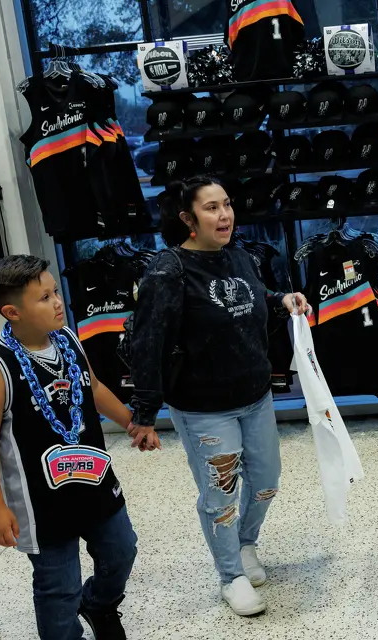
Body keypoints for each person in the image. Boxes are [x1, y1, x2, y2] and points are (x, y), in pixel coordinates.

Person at [128, 175, 310, 616]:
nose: (224, 214)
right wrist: (145, 413)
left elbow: (253, 298)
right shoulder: (167, 271)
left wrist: (282, 298)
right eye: (211, 208)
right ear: (188, 219)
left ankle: (246, 545)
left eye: (226, 204)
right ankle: (231, 576)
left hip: (255, 395)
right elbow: (148, 342)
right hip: (203, 408)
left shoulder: (240, 257)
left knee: (265, 483)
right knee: (221, 495)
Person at [0, 255, 157, 640]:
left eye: (56, 292)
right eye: (44, 298)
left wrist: (131, 422)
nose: (58, 301)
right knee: (59, 588)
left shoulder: (69, 340)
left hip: (93, 479)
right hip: (41, 503)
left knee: (122, 550)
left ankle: (101, 604)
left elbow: (93, 386)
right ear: (13, 312)